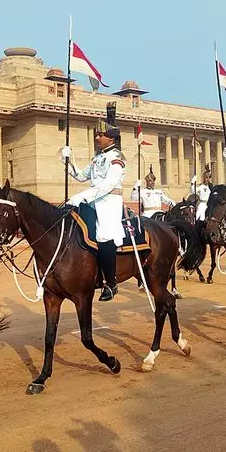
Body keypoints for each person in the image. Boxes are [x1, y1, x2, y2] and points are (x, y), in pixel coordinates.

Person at [61, 102, 126, 302]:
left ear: (111, 137)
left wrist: (83, 196)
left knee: (104, 236)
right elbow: (81, 176)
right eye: (96, 134)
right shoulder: (98, 158)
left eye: (101, 135)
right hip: (92, 201)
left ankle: (110, 283)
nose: (97, 138)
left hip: (109, 203)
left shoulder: (117, 158)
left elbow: (108, 185)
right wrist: (68, 161)